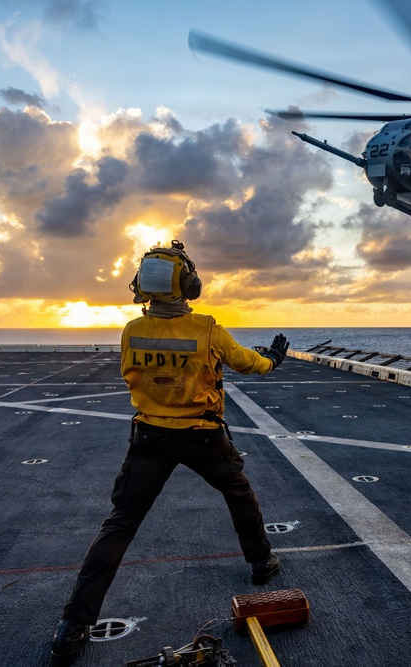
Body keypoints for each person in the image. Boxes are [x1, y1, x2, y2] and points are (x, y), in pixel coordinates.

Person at [50, 241, 290, 665]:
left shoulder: (131, 331)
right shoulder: (207, 328)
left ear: (142, 286)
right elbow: (247, 363)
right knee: (238, 493)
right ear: (189, 285)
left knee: (119, 524)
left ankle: (73, 625)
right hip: (201, 435)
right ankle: (261, 561)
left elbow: (135, 375)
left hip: (149, 438)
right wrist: (272, 358)